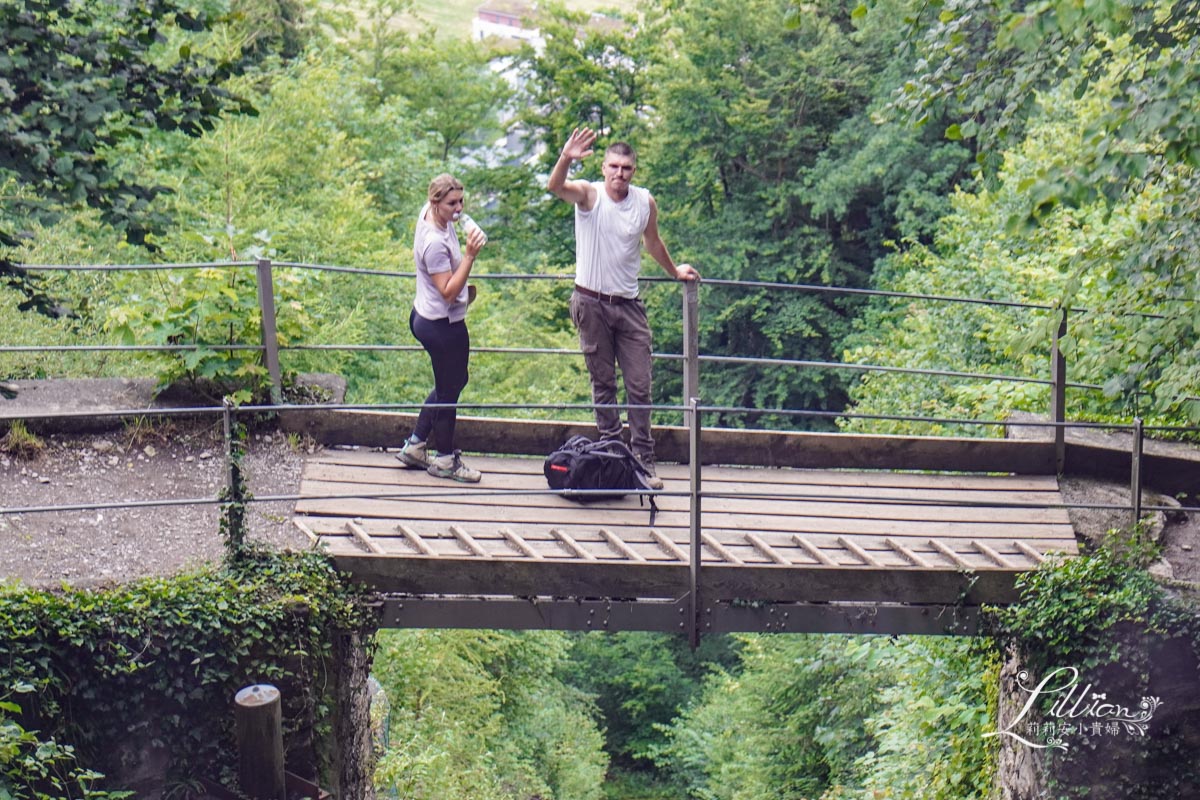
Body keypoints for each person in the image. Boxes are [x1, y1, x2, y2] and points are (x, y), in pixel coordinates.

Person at [547, 127, 700, 490]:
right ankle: (615, 455)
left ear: (634, 171)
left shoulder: (644, 202)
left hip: (629, 304)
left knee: (640, 384)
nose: (619, 173)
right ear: (603, 168)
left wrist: (674, 270)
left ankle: (643, 457)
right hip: (591, 301)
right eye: (613, 166)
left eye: (626, 168)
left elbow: (653, 241)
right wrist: (566, 158)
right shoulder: (590, 195)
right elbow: (556, 188)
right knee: (603, 384)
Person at [395, 173, 486, 482]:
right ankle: (445, 460)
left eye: (461, 201)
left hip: (424, 314)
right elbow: (447, 290)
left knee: (455, 380)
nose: (458, 209)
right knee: (449, 391)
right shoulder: (433, 242)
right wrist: (470, 256)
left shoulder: (430, 212)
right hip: (442, 323)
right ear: (436, 203)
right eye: (452, 203)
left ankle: (417, 445)